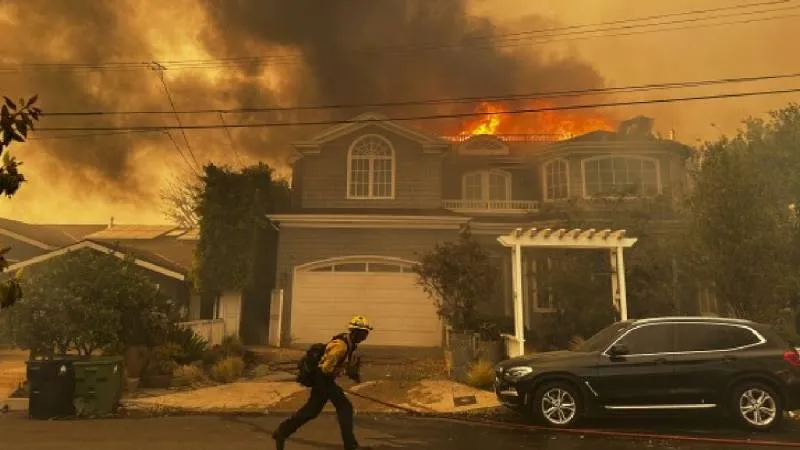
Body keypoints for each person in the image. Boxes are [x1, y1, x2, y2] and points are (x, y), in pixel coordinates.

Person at [272, 316, 373, 450]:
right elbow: (325, 369)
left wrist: (350, 373)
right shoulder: (341, 346)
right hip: (323, 378)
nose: (365, 336)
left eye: (366, 333)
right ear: (355, 332)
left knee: (311, 411)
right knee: (345, 408)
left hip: (324, 379)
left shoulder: (349, 343)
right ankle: (350, 446)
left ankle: (281, 432)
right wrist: (333, 383)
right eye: (364, 333)